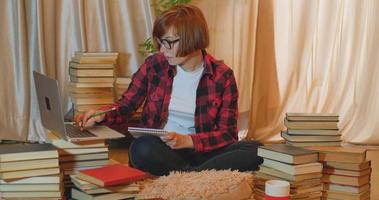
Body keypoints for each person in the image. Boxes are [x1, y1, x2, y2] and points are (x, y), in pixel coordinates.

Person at [76, 4, 263, 176]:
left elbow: (227, 134)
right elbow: (126, 105)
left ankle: (187, 176)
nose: (163, 50)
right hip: (162, 149)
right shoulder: (154, 65)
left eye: (169, 42)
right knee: (140, 148)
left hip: (203, 151)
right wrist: (102, 114)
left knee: (257, 149)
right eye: (160, 42)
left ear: (192, 38)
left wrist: (188, 141)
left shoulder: (222, 76)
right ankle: (199, 177)